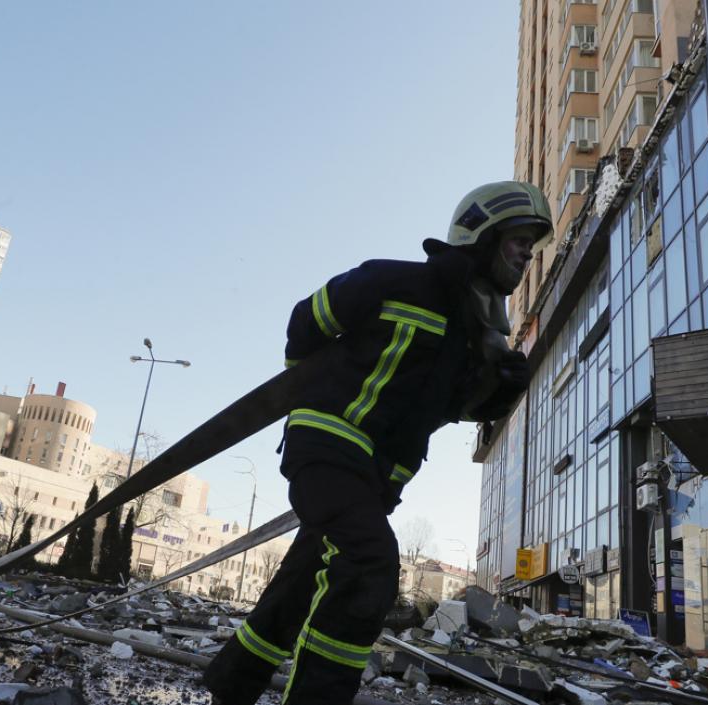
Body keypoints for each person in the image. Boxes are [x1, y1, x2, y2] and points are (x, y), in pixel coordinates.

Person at [203, 181, 551, 704]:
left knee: (300, 584)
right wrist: (311, 397)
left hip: (373, 482)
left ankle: (230, 687)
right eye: (520, 239)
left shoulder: (474, 337)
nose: (528, 253)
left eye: (532, 244)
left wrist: (498, 392)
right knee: (370, 566)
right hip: (327, 451)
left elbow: (448, 411)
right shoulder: (391, 282)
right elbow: (306, 322)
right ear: (482, 234)